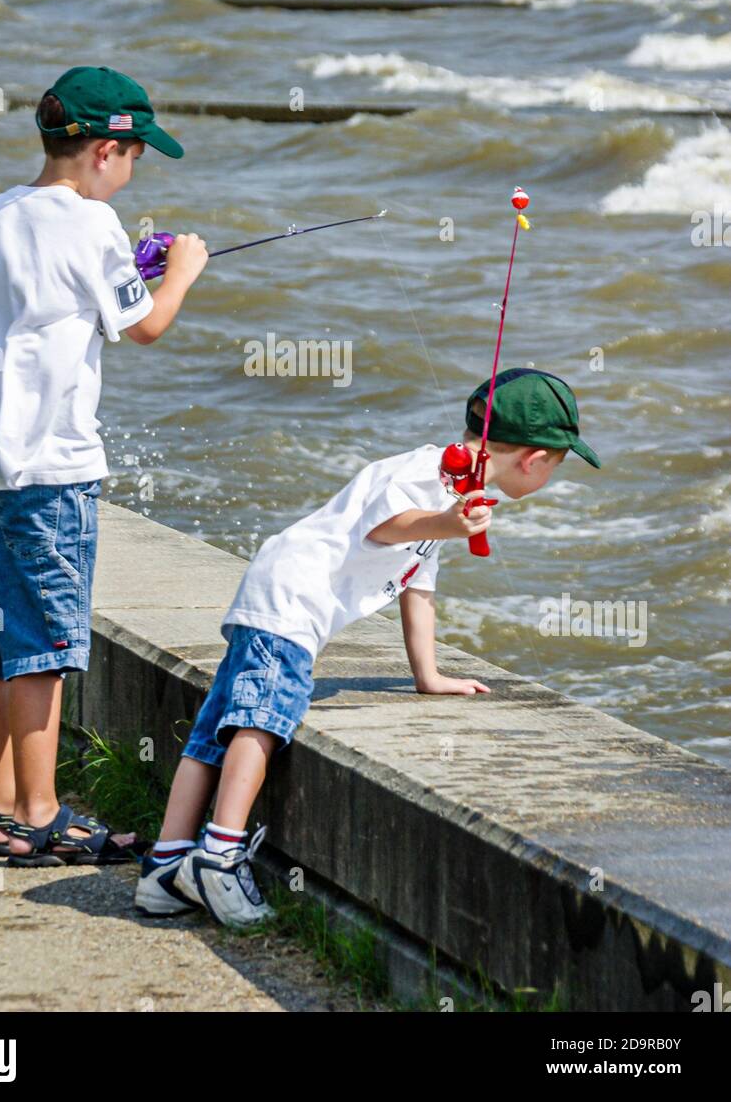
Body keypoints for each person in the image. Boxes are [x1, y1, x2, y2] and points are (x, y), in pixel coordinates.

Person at [135, 367, 600, 924]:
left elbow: (417, 585)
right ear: (534, 459)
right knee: (262, 720)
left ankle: (165, 868)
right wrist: (448, 523)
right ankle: (219, 855)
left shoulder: (457, 487)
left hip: (279, 594)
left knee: (214, 733)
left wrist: (428, 675)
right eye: (558, 463)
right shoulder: (427, 472)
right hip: (291, 602)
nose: (553, 473)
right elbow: (389, 526)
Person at [0, 65, 208, 866]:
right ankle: (43, 813)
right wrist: (181, 269)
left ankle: (3, 812)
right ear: (103, 152)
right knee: (44, 647)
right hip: (51, 467)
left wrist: (121, 275)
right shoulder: (91, 224)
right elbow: (148, 326)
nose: (132, 176)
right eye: (134, 159)